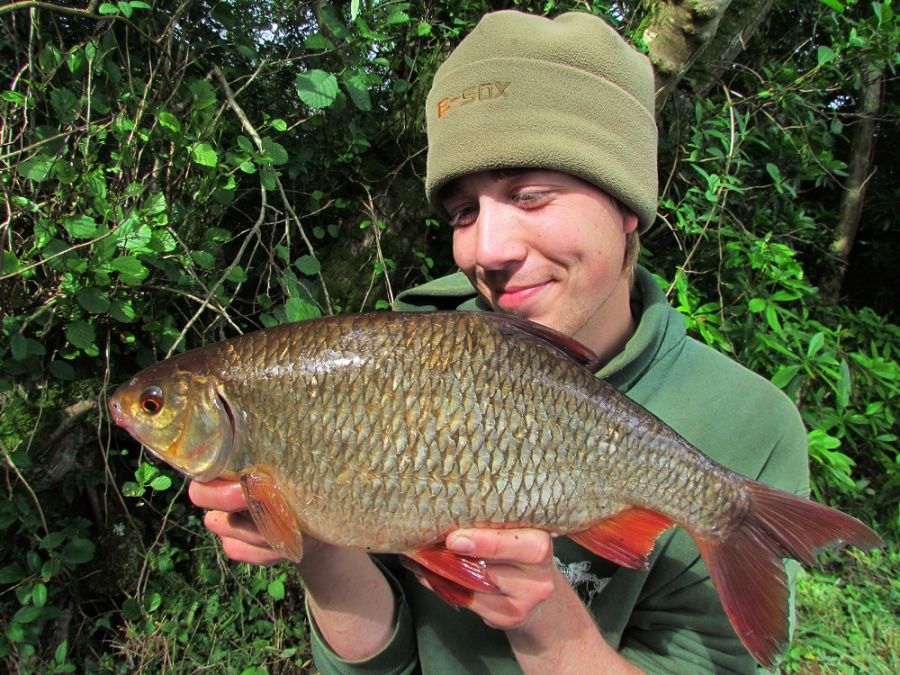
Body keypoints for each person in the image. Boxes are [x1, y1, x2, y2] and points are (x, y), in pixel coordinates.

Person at [188, 10, 810, 673]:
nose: (487, 249)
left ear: (628, 203)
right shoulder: (400, 360)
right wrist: (317, 545)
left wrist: (550, 626)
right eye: (464, 212)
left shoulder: (747, 424)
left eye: (532, 196)